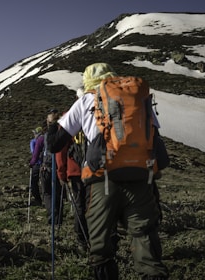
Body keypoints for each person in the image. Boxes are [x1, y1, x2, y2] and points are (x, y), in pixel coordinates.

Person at [46, 63, 169, 279]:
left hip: (102, 180)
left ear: (87, 82)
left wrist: (50, 126)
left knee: (101, 247)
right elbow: (156, 142)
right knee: (145, 240)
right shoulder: (137, 100)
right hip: (141, 178)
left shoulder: (86, 100)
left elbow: (55, 144)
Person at [55, 128, 89, 256]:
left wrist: (61, 173)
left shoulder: (70, 121)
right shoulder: (95, 114)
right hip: (93, 168)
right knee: (93, 204)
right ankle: (95, 237)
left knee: (79, 205)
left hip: (75, 171)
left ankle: (82, 239)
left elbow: (61, 150)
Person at [39, 109, 63, 225]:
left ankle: (52, 215)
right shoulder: (63, 132)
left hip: (48, 165)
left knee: (47, 192)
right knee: (57, 192)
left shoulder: (46, 135)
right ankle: (58, 216)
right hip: (58, 166)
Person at [28, 126, 43, 205]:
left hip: (37, 164)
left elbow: (34, 153)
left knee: (34, 182)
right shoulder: (46, 140)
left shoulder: (33, 142)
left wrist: (32, 162)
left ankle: (38, 199)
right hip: (45, 163)